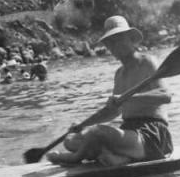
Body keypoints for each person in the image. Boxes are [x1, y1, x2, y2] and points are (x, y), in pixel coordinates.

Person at [47, 15, 173, 167]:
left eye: (119, 39)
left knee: (96, 133)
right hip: (128, 132)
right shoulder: (119, 74)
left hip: (151, 134)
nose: (114, 45)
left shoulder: (147, 62)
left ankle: (74, 158)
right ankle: (116, 156)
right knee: (71, 140)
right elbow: (113, 112)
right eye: (110, 42)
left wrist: (129, 98)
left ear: (130, 39)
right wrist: (83, 124)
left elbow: (165, 96)